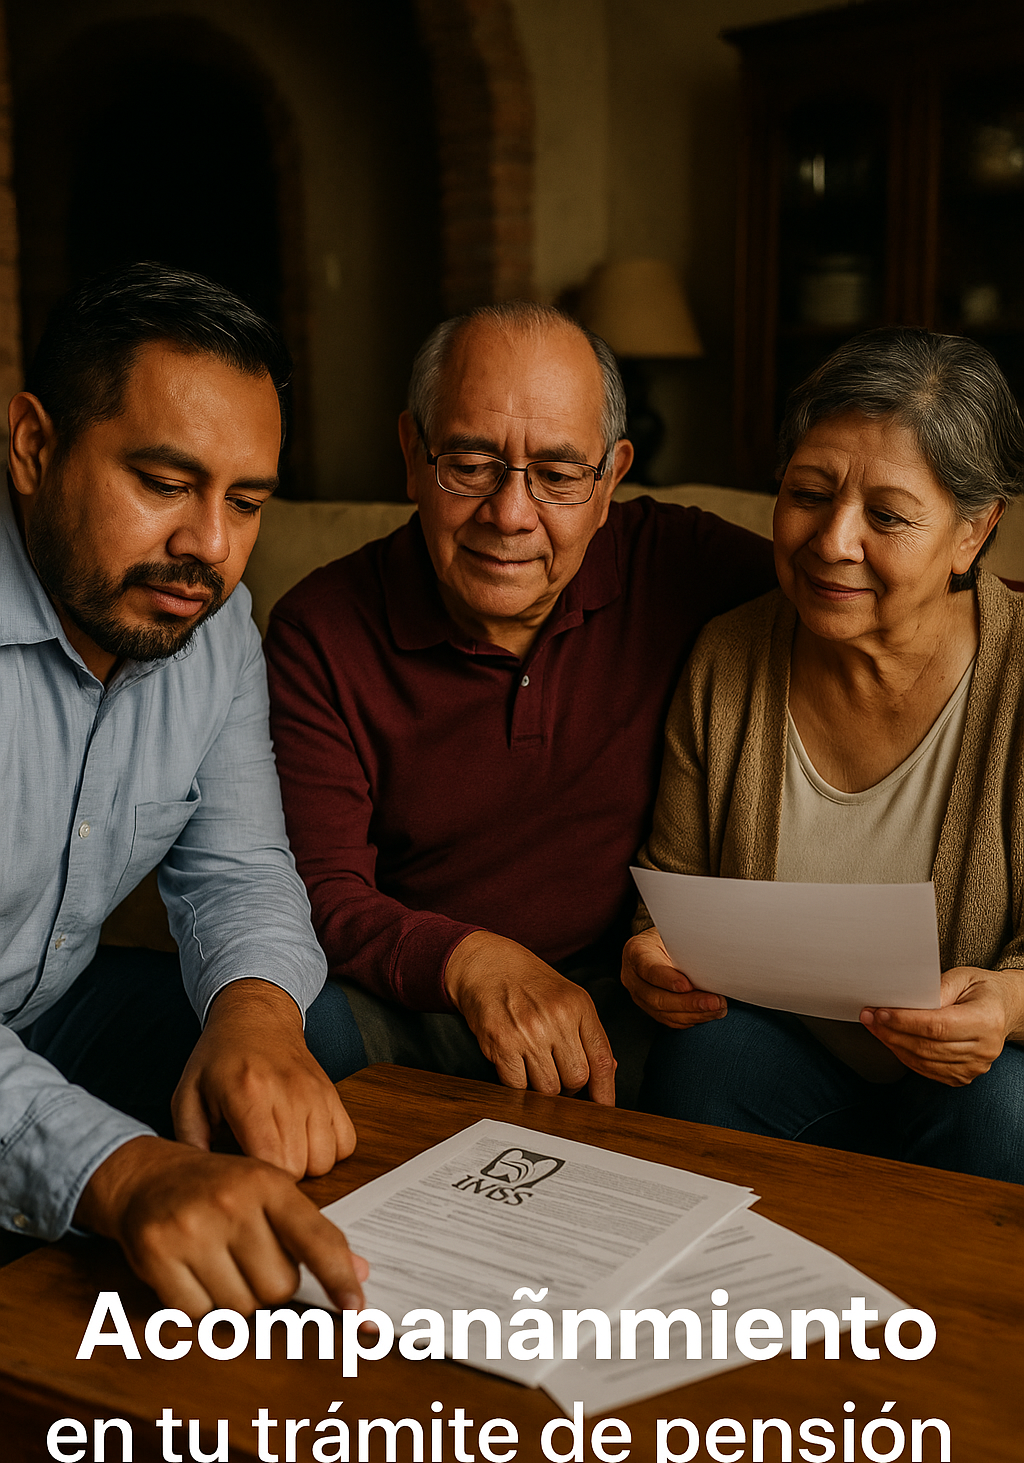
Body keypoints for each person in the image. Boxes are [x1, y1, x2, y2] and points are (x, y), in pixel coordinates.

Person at [265, 302, 777, 1108]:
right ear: (411, 453)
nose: (509, 515)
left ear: (608, 480)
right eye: (469, 464)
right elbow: (317, 888)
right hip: (415, 994)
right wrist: (471, 961)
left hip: (624, 998)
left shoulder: (680, 564)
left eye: (559, 474)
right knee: (295, 1024)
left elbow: (873, 596)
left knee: (741, 1053)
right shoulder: (319, 630)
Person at [1, 263, 368, 1315]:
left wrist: (254, 1018)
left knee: (306, 1036)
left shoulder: (212, 628)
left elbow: (239, 870)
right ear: (35, 446)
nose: (208, 547)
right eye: (164, 483)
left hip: (47, 1013)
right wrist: (122, 1171)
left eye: (244, 501)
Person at [622, 327, 1024, 1183]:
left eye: (887, 516)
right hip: (791, 1059)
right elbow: (671, 887)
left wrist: (1009, 1004)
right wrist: (652, 958)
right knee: (703, 1062)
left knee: (1006, 1109)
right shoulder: (728, 656)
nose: (833, 541)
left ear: (973, 533)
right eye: (809, 493)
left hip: (973, 1075)